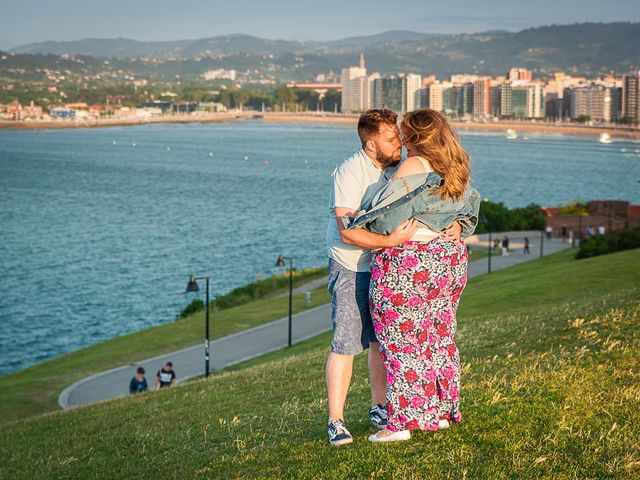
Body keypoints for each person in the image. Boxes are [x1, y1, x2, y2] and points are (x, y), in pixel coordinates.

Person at [324, 108, 461, 447]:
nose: (398, 141)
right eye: (390, 138)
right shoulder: (349, 172)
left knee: (380, 342)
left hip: (388, 266)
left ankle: (380, 406)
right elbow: (347, 233)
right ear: (371, 145)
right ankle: (336, 421)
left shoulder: (400, 167)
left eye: (398, 135)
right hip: (353, 266)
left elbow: (429, 207)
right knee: (346, 342)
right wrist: (391, 241)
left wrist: (452, 223)